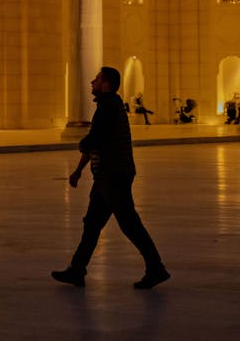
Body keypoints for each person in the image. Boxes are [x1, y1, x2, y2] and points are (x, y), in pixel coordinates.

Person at [51, 66, 170, 290]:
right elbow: (98, 140)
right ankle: (77, 270)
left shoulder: (108, 106)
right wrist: (79, 169)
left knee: (129, 223)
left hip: (114, 175)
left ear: (105, 84)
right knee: (93, 224)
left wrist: (83, 145)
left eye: (96, 79)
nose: (91, 83)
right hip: (106, 175)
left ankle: (156, 268)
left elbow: (96, 138)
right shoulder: (108, 105)